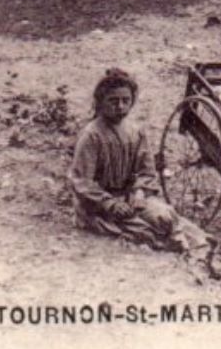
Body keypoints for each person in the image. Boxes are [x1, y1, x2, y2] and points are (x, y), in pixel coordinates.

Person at [68, 68, 211, 254]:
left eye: (125, 101)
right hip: (98, 206)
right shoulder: (91, 135)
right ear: (100, 102)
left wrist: (140, 193)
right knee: (143, 231)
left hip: (130, 198)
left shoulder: (135, 131)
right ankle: (178, 246)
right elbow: (82, 182)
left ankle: (201, 245)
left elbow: (146, 171)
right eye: (113, 101)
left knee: (165, 217)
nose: (120, 106)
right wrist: (110, 204)